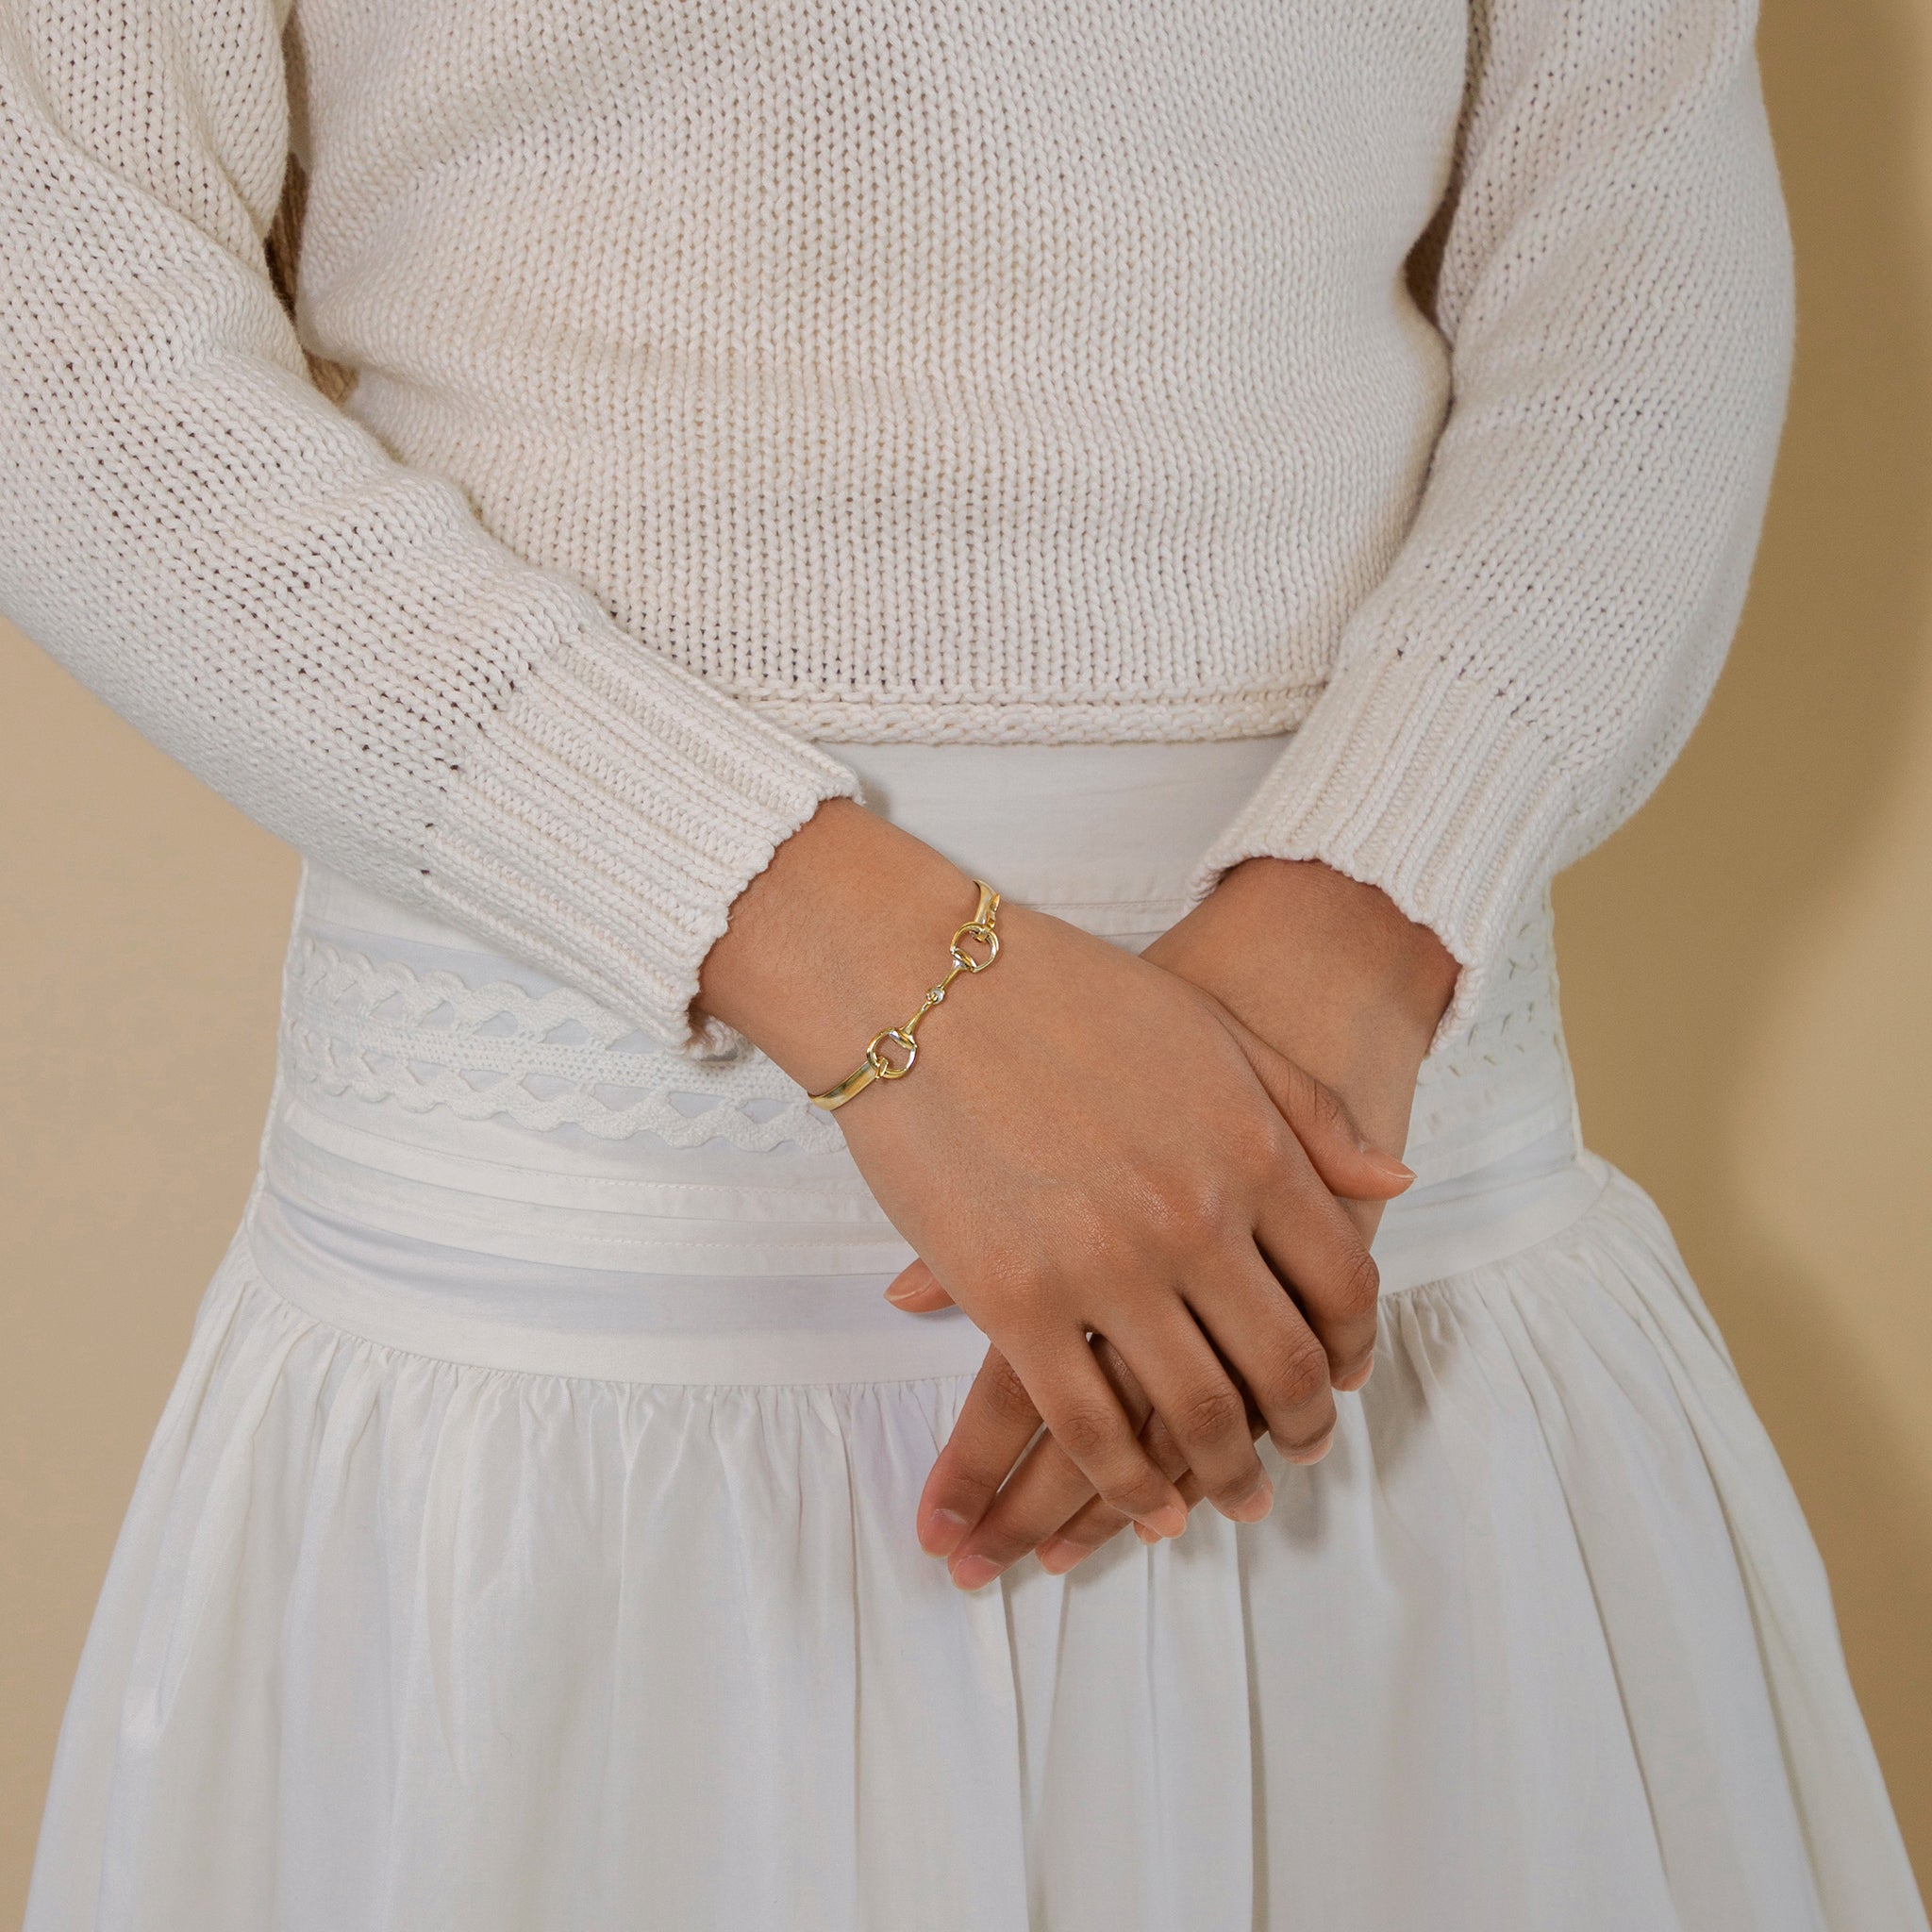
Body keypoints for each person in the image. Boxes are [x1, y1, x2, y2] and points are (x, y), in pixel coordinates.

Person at [1, 2, 1923, 1927]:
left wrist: (1366, 918)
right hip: (576, 1358)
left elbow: (1630, 229)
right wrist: (836, 952)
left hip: (1361, 1302)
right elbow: (51, 287)